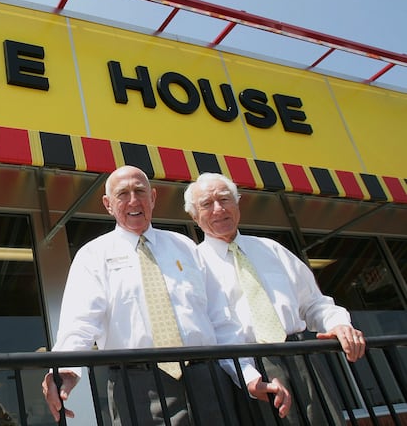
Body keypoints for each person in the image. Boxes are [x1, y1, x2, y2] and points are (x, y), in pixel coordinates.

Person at [41, 165, 291, 426]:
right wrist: (64, 370)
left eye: (140, 191)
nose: (134, 200)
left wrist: (248, 376)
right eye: (123, 194)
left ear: (153, 198)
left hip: (207, 380)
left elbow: (221, 320)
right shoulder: (93, 256)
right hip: (138, 386)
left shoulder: (185, 246)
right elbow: (79, 324)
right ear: (108, 204)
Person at [183, 172, 366, 425]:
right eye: (206, 204)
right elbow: (213, 330)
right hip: (247, 366)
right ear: (194, 216)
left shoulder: (272, 249)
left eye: (224, 199)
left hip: (303, 358)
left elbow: (313, 302)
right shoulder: (193, 264)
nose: (218, 209)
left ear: (237, 203)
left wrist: (338, 324)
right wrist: (247, 376)